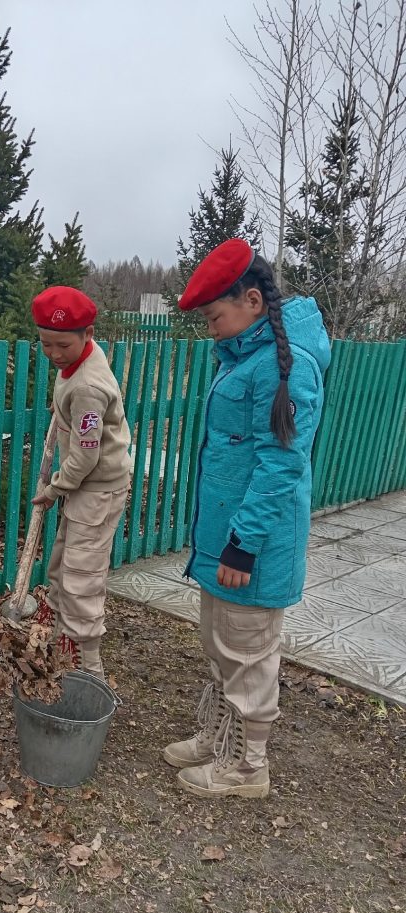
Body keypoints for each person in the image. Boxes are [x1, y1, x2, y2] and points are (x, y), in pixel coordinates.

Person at [163, 238, 330, 799]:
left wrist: (244, 544)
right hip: (224, 539)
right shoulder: (244, 357)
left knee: (248, 655)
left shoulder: (286, 367)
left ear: (252, 301)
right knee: (220, 645)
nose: (211, 329)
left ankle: (247, 767)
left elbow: (281, 464)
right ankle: (219, 739)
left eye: (215, 316)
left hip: (252, 546)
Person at [31, 285, 132, 680]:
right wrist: (63, 411)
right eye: (46, 344)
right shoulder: (81, 359)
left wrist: (54, 489)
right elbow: (73, 402)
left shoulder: (88, 387)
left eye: (63, 345)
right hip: (85, 484)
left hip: (96, 486)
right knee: (62, 562)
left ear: (87, 334)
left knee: (81, 576)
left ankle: (87, 668)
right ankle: (61, 638)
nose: (55, 354)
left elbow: (86, 457)